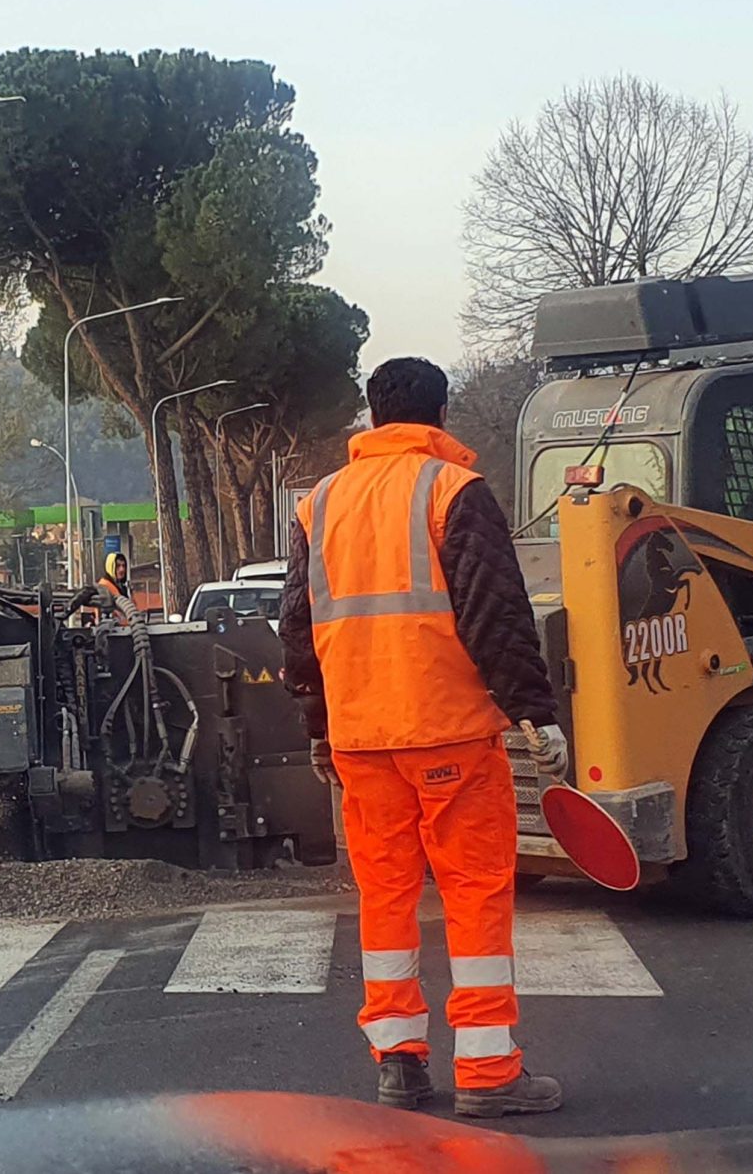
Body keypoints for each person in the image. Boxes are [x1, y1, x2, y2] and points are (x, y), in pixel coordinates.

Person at [280, 357, 568, 1118]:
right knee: (474, 891)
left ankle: (398, 1063)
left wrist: (319, 725)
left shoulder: (321, 502)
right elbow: (495, 612)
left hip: (361, 739)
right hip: (448, 732)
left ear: (372, 416)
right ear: (441, 414)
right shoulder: (452, 490)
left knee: (385, 895)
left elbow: (299, 629)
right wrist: (536, 711)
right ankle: (488, 1071)